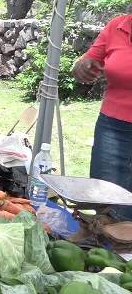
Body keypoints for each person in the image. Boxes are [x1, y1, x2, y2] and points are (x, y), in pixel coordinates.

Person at [72, 12, 132, 220]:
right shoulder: (117, 26)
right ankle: (107, 248)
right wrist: (83, 67)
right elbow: (85, 62)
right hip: (112, 128)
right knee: (106, 202)